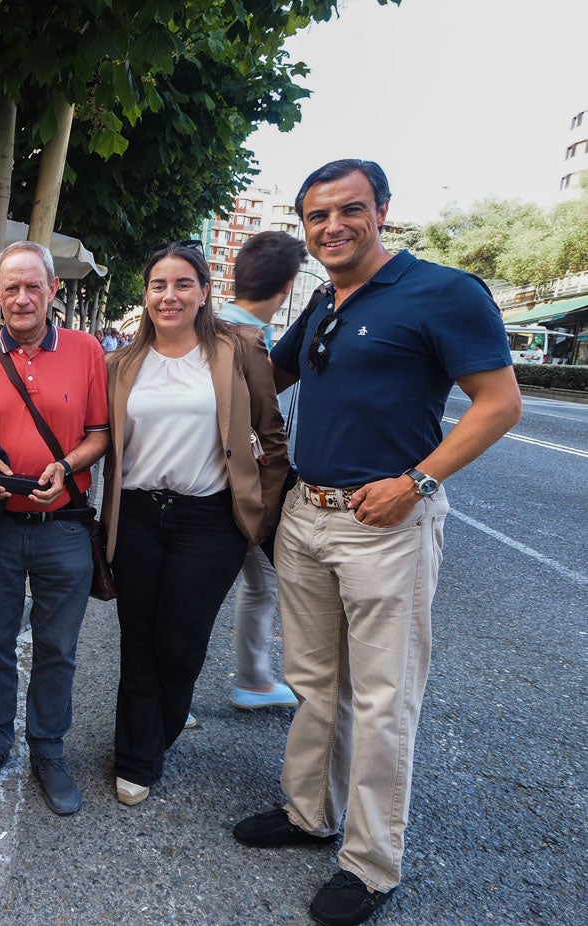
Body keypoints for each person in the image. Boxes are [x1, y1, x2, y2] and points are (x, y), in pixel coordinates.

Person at [233, 160, 521, 926]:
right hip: (306, 517)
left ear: (382, 211)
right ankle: (307, 816)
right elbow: (268, 373)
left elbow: (498, 405)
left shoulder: (443, 292)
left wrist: (416, 483)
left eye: (348, 210)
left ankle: (368, 864)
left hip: (385, 522)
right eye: (317, 215)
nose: (332, 226)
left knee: (384, 699)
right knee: (314, 684)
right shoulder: (327, 298)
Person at [100, 243, 288, 808]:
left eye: (183, 284)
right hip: (134, 515)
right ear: (146, 295)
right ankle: (136, 755)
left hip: (209, 522)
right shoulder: (121, 364)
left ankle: (163, 726)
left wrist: (256, 519)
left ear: (204, 292)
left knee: (180, 645)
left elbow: (272, 441)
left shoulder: (238, 353)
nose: (169, 295)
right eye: (158, 285)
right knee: (138, 640)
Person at [0, 240, 109, 816]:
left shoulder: (87, 351)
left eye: (34, 285)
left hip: (64, 527)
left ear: (52, 290)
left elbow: (100, 434)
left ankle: (49, 749)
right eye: (12, 287)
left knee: (59, 649)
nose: (23, 297)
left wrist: (69, 466)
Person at [216, 230, 309, 711]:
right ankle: (245, 680)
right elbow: (267, 434)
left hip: (214, 487)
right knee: (213, 586)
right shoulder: (245, 339)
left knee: (253, 581)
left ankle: (251, 678)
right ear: (289, 285)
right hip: (233, 490)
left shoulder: (220, 328)